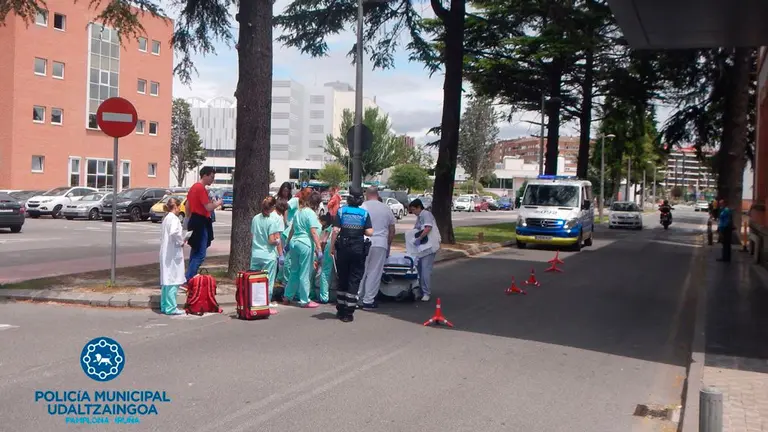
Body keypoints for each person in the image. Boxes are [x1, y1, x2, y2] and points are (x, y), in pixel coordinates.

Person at [330, 189, 373, 322]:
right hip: (358, 249)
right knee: (354, 279)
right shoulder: (364, 214)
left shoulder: (342, 211)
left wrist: (332, 247)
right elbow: (370, 232)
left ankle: (341, 309)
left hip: (343, 248)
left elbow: (335, 230)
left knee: (342, 277)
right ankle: (349, 313)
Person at [283, 189, 323, 308]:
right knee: (305, 272)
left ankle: (287, 296)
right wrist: (319, 248)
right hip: (305, 243)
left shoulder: (298, 212)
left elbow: (292, 229)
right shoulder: (310, 213)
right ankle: (305, 299)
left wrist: (288, 243)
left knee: (294, 271)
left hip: (294, 242)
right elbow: (313, 232)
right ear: (315, 204)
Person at [358, 186, 396, 310]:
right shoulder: (386, 208)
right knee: (374, 272)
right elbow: (392, 230)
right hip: (380, 243)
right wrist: (388, 244)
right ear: (377, 194)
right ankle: (368, 300)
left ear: (366, 195)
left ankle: (357, 298)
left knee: (361, 271)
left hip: (364, 242)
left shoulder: (362, 207)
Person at [185, 167, 223, 283]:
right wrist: (218, 203)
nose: (212, 180)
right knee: (200, 253)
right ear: (205, 175)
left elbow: (187, 205)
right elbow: (208, 207)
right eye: (211, 177)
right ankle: (188, 279)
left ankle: (188, 278)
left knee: (195, 249)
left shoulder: (193, 188)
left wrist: (188, 218)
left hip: (195, 219)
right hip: (201, 221)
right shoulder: (200, 188)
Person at [250, 195, 285, 311]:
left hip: (256, 253)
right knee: (268, 280)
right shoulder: (272, 221)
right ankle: (267, 302)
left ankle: (254, 301)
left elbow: (252, 235)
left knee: (255, 280)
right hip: (268, 255)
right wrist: (278, 241)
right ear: (273, 207)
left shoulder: (255, 218)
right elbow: (271, 240)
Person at [159, 198, 186, 315]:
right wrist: (181, 241)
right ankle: (171, 307)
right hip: (173, 253)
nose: (180, 209)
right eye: (179, 207)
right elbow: (174, 232)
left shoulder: (166, 218)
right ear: (176, 207)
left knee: (166, 279)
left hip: (166, 252)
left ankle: (165, 305)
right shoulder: (174, 219)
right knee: (173, 280)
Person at [409, 199, 438, 302]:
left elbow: (428, 228)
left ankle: (426, 292)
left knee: (425, 270)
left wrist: (419, 238)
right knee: (420, 269)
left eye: (413, 210)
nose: (413, 212)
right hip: (423, 247)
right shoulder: (420, 217)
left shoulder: (426, 214)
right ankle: (421, 290)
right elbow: (416, 230)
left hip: (429, 247)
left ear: (418, 207)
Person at [312, 213, 335, 304]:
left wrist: (319, 252)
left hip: (330, 246)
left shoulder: (331, 227)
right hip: (344, 246)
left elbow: (324, 240)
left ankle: (324, 297)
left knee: (325, 271)